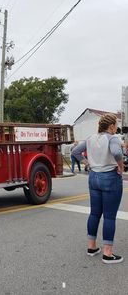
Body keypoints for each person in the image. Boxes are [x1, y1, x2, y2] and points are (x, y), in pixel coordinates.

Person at [72, 113, 124, 264]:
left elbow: (75, 151)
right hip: (109, 177)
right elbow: (116, 152)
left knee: (95, 213)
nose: (116, 128)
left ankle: (92, 247)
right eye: (115, 125)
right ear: (111, 126)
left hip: (93, 178)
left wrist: (87, 163)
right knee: (109, 216)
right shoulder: (112, 138)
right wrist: (120, 167)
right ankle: (108, 253)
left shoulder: (90, 138)